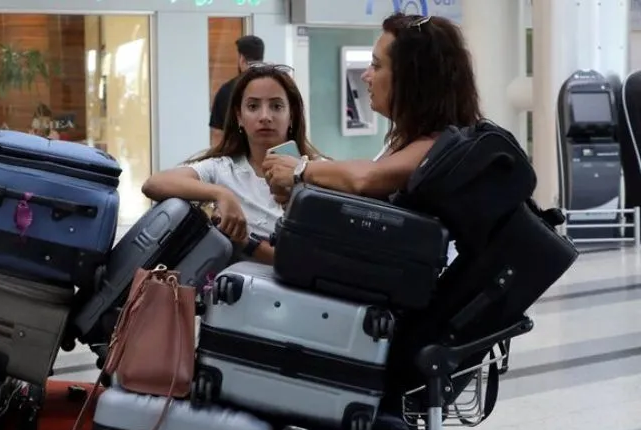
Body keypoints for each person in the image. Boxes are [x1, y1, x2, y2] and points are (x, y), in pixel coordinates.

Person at [262, 13, 480, 204]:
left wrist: (301, 170)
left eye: (376, 65)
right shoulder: (406, 140)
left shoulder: (438, 146)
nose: (366, 76)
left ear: (411, 78)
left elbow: (364, 179)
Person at [142, 64, 320, 265]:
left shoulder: (316, 172)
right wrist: (221, 194)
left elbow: (309, 263)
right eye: (253, 106)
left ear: (292, 116)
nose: (265, 117)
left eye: (276, 106)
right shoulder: (222, 170)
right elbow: (154, 183)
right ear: (239, 117)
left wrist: (246, 242)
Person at [209, 35, 265, 147]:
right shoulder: (275, 85)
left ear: (242, 59)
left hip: (235, 156)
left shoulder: (227, 90)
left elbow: (217, 133)